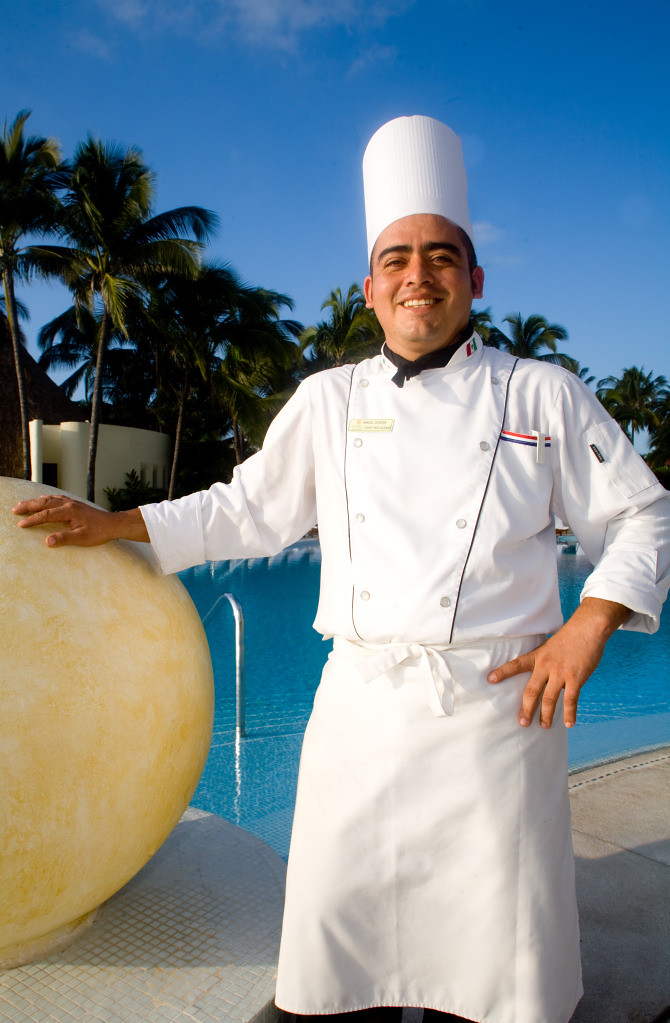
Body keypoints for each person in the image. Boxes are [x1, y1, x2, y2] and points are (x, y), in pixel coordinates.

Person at [14, 116, 670, 1023]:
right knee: (334, 967)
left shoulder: (542, 392)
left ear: (475, 280)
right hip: (359, 716)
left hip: (494, 721)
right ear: (370, 287)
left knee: (491, 972)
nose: (418, 275)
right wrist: (110, 522)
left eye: (441, 257)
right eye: (397, 257)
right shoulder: (330, 400)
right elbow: (243, 509)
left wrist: (588, 625)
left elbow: (643, 511)